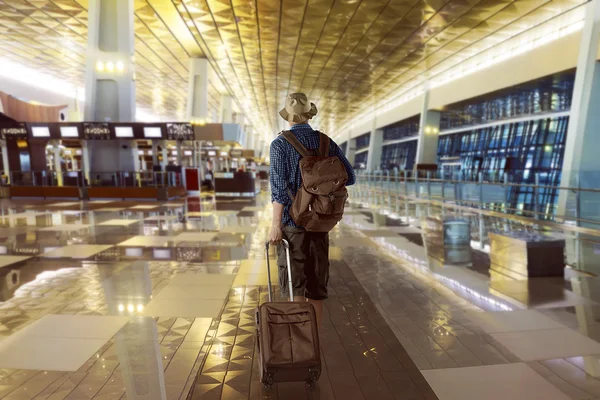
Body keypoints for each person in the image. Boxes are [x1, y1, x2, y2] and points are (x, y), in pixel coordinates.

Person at [269, 92, 355, 329]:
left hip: (292, 223)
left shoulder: (279, 145)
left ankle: (299, 339)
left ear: (288, 117)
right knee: (316, 284)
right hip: (320, 222)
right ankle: (314, 338)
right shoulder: (326, 142)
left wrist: (276, 226)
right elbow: (351, 176)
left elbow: (278, 191)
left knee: (295, 281)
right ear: (309, 115)